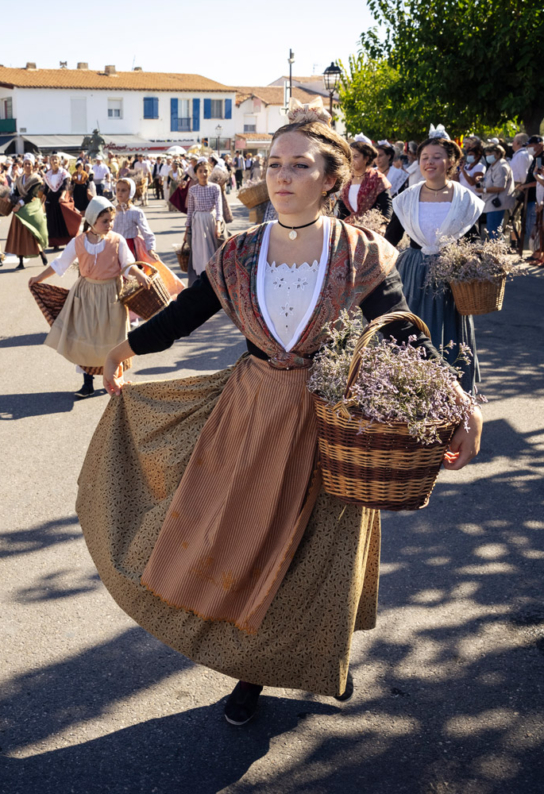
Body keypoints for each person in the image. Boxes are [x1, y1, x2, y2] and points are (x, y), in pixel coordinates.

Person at [76, 101, 482, 729]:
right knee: (247, 545)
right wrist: (125, 347)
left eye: (300, 164)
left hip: (332, 423)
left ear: (329, 178)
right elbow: (188, 313)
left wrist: (459, 403)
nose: (283, 176)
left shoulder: (359, 253)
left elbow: (405, 338)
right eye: (274, 164)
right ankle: (253, 667)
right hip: (252, 415)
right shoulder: (240, 253)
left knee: (320, 552)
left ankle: (315, 660)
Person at [385, 131, 484, 392]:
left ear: (451, 161)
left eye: (437, 157)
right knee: (410, 327)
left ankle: (451, 387)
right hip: (412, 273)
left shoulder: (466, 200)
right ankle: (409, 385)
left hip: (450, 277)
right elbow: (390, 239)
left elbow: (474, 242)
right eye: (424, 157)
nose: (429, 162)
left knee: (447, 326)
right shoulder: (406, 198)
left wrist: (469, 264)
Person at [28, 197, 150, 398]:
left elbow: (128, 265)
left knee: (112, 338)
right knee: (85, 338)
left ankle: (113, 378)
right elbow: (60, 263)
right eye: (105, 221)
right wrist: (38, 278)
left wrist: (141, 275)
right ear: (93, 220)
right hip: (85, 295)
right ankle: (87, 382)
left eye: (111, 220)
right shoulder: (78, 242)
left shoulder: (117, 240)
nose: (110, 224)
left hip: (111, 295)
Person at [5, 153, 49, 269]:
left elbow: (31, 195)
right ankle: (20, 261)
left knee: (33, 232)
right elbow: (16, 193)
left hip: (31, 206)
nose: (27, 165)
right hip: (20, 207)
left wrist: (19, 204)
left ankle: (41, 252)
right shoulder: (19, 179)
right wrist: (10, 198)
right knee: (19, 236)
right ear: (22, 165)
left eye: (29, 163)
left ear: (33, 165)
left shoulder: (36, 179)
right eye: (25, 164)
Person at [184, 159, 223, 285]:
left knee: (212, 248)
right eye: (200, 171)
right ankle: (201, 278)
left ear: (210, 172)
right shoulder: (193, 190)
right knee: (199, 250)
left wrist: (218, 224)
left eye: (206, 171)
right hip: (198, 223)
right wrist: (187, 229)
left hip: (210, 221)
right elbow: (190, 210)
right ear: (196, 173)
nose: (203, 174)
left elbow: (219, 208)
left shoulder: (215, 188)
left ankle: (214, 277)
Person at [336, 137, 392, 223]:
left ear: (366, 159)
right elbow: (342, 208)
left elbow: (387, 206)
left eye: (356, 157)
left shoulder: (377, 178)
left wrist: (384, 225)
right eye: (350, 157)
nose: (351, 160)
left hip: (372, 226)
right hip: (350, 227)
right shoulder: (347, 179)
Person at [112, 178, 159, 259]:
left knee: (128, 269)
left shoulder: (136, 212)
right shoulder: (111, 210)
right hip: (113, 246)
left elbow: (146, 232)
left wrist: (151, 249)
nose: (119, 192)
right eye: (118, 190)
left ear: (131, 192)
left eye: (123, 190)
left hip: (129, 247)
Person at [476, 144, 515, 239]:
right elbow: (491, 179)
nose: (488, 156)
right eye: (487, 154)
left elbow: (500, 186)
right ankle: (496, 251)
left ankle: (497, 251)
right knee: (492, 229)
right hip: (492, 202)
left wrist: (483, 190)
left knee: (494, 230)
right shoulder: (494, 165)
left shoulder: (501, 166)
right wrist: (482, 179)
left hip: (497, 203)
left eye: (491, 154)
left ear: (498, 154)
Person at [42, 152, 77, 250]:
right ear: (49, 161)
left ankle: (67, 241)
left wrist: (62, 196)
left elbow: (65, 185)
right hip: (51, 199)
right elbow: (46, 188)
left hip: (61, 197)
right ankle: (55, 243)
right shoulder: (48, 174)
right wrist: (43, 198)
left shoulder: (63, 173)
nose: (54, 161)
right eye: (52, 159)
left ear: (59, 161)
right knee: (52, 221)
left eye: (56, 159)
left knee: (63, 220)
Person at [518, 135, 543, 251]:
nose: (528, 148)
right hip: (533, 197)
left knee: (537, 226)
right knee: (532, 226)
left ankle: (537, 252)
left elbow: (539, 179)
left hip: (538, 198)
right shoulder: (535, 158)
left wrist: (526, 185)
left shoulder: (542, 158)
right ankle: (535, 252)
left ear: (539, 144)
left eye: (530, 145)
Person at [208, 154, 233, 225]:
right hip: (219, 189)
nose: (209, 162)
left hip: (217, 189)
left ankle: (220, 221)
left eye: (210, 160)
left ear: (213, 161)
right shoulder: (219, 167)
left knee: (219, 205)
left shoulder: (217, 168)